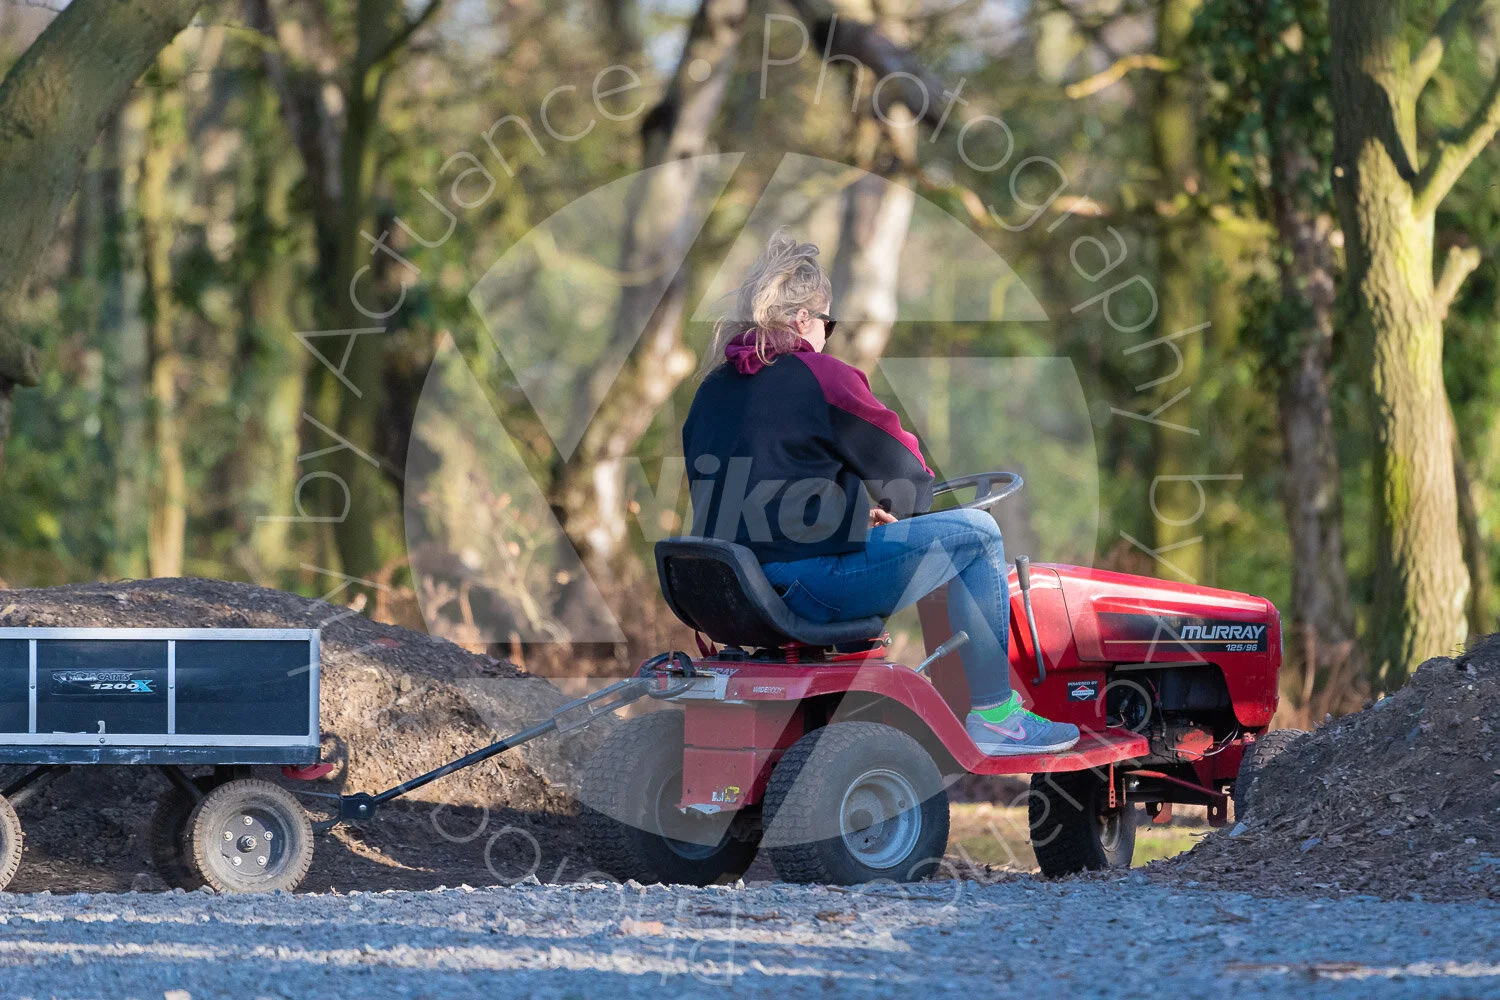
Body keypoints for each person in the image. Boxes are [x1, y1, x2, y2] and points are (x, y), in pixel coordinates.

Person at [681, 230, 1079, 756]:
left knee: (944, 538)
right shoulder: (823, 376)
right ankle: (996, 714)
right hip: (805, 585)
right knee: (978, 534)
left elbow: (755, 495)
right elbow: (910, 480)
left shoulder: (711, 390)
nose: (828, 335)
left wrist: (850, 515)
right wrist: (898, 507)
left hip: (729, 590)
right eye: (828, 323)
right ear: (804, 320)